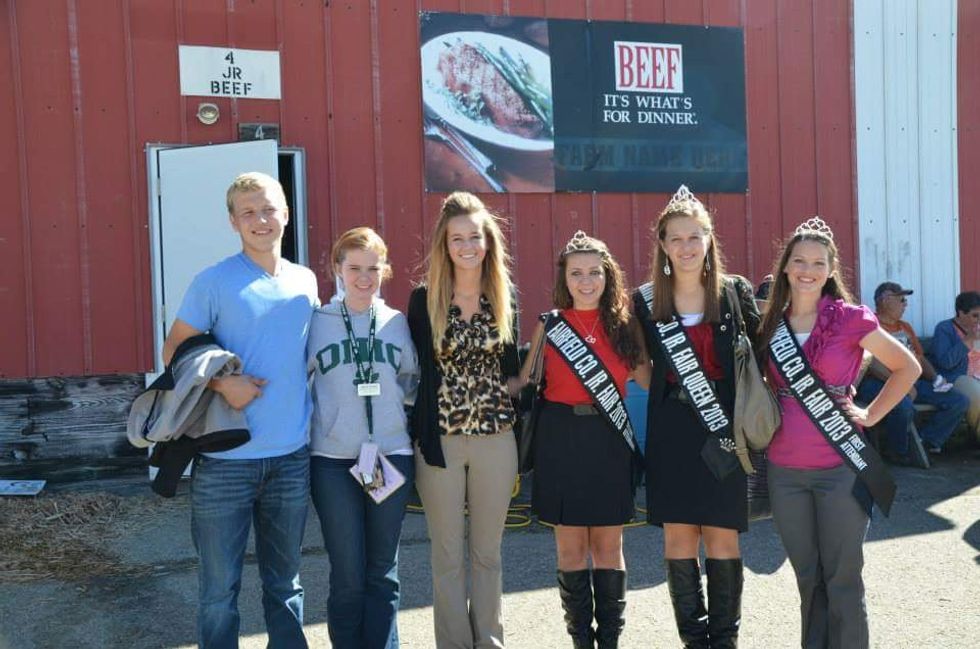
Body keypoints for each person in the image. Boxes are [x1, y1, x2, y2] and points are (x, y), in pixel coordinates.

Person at [161, 172, 318, 649]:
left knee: (286, 586)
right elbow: (173, 352)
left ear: (286, 214)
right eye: (248, 212)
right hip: (225, 462)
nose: (260, 219)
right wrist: (220, 382)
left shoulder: (305, 281)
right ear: (233, 222)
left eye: (268, 208)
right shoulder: (213, 281)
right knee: (218, 592)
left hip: (291, 457)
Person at [758, 217, 919, 649]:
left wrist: (869, 413)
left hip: (840, 468)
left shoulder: (850, 319)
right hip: (784, 471)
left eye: (817, 262)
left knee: (843, 578)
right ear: (786, 267)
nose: (807, 270)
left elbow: (908, 368)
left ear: (830, 270)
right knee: (808, 579)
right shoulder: (770, 320)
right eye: (798, 261)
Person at [632, 185, 761, 649]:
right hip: (672, 434)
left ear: (709, 239)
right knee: (679, 540)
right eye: (675, 239)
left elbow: (759, 361)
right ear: (663, 246)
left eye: (694, 237)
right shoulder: (645, 302)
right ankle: (695, 641)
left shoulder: (733, 293)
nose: (685, 247)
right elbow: (639, 366)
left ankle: (723, 642)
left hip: (724, 433)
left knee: (723, 539)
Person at [519, 231, 650, 649]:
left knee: (608, 547)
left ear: (608, 276)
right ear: (565, 278)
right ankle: (581, 641)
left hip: (608, 438)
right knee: (570, 548)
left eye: (595, 272)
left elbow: (652, 380)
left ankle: (609, 641)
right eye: (577, 273)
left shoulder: (625, 325)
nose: (586, 280)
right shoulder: (550, 324)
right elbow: (525, 380)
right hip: (560, 439)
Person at [407, 191, 522, 649]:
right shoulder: (424, 300)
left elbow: (512, 371)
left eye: (475, 236)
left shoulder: (505, 296)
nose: (467, 246)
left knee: (488, 553)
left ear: (488, 241)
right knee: (448, 555)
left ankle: (490, 640)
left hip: (497, 438)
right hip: (442, 441)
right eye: (458, 238)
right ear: (444, 243)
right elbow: (413, 369)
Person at [307, 227, 419, 648]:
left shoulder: (394, 323)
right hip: (333, 461)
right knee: (348, 573)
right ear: (337, 269)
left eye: (373, 268)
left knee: (382, 571)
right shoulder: (317, 323)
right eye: (354, 268)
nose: (364, 277)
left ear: (384, 270)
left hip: (388, 456)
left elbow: (410, 380)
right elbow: (300, 382)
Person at [856, 282, 967, 459]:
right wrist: (903, 384)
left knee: (958, 400)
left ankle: (925, 442)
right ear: (885, 300)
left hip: (911, 381)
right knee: (902, 405)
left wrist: (936, 379)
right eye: (901, 300)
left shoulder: (905, 327)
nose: (905, 305)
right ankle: (898, 452)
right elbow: (871, 363)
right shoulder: (871, 325)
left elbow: (920, 358)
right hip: (877, 382)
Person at [930, 290, 980, 441]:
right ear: (961, 313)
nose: (978, 320)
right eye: (974, 315)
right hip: (958, 378)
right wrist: (967, 341)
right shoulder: (945, 329)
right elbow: (945, 362)